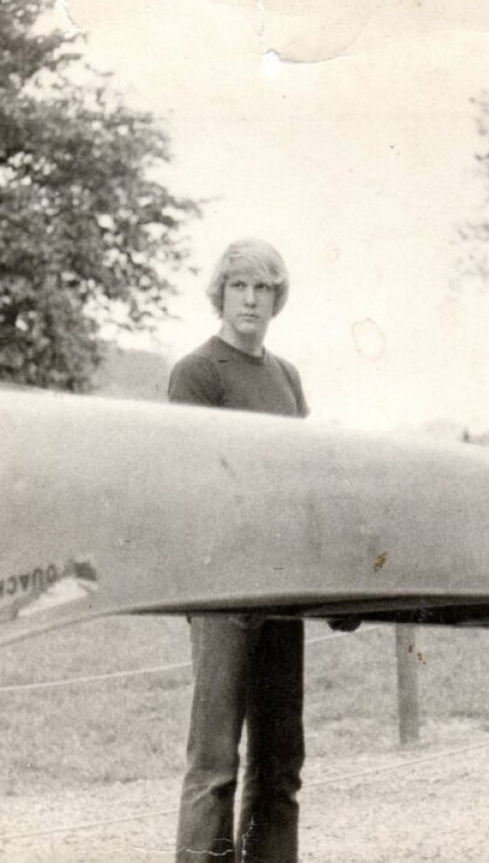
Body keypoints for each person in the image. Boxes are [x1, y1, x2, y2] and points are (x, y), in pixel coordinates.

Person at [170, 238, 309, 862]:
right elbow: (191, 485)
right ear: (220, 294)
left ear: (277, 298)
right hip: (224, 590)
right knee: (215, 766)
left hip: (282, 591)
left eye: (262, 288)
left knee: (280, 766)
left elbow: (305, 482)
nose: (250, 300)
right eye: (239, 287)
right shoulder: (197, 373)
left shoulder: (286, 377)